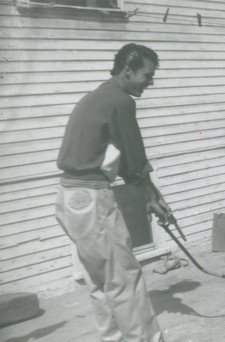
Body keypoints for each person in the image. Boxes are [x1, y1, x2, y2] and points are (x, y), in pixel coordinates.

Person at [55, 43, 169, 342]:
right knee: (124, 278)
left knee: (101, 281)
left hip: (69, 198)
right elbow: (134, 157)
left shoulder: (95, 97)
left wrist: (151, 194)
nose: (150, 81)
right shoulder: (120, 101)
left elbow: (127, 161)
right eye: (147, 75)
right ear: (127, 70)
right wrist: (152, 196)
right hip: (91, 198)